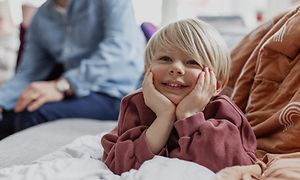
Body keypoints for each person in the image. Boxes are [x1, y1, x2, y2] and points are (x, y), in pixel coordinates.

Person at [101, 18, 257, 175]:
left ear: (217, 84)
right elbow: (118, 166)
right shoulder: (135, 103)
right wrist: (164, 116)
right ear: (147, 70)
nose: (175, 68)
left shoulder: (223, 111)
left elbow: (228, 166)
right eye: (165, 59)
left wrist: (189, 115)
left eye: (192, 62)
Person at [0, 0, 144, 139]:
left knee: (32, 113)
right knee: (6, 117)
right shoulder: (41, 17)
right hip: (77, 94)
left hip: (117, 95)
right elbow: (28, 74)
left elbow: (120, 48)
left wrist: (62, 85)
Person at [0, 1, 19, 84]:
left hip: (4, 80)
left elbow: (9, 62)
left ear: (9, 20)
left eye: (0, 20)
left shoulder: (12, 36)